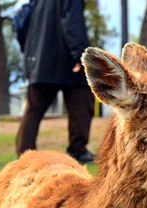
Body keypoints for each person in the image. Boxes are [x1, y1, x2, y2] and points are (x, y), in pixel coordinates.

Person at [16, 0, 95, 164]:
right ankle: (77, 150)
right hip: (69, 60)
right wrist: (81, 54)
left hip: (40, 61)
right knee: (81, 103)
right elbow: (73, 23)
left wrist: (32, 54)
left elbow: (21, 27)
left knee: (33, 110)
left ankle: (24, 153)